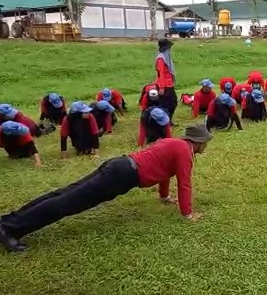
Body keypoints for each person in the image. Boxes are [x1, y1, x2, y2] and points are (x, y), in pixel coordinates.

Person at [0, 124, 213, 252]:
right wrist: (188, 214)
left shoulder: (173, 143)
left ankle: (9, 221)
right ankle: (10, 229)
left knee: (64, 194)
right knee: (67, 202)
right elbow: (184, 183)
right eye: (206, 143)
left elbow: (167, 171)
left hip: (119, 164)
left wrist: (164, 196)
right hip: (123, 175)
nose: (206, 146)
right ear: (199, 141)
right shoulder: (185, 151)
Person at [155, 39, 178, 123]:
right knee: (166, 105)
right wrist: (161, 88)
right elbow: (160, 74)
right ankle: (164, 121)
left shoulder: (166, 56)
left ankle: (169, 120)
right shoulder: (161, 58)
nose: (170, 49)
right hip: (164, 85)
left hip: (169, 84)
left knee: (173, 102)